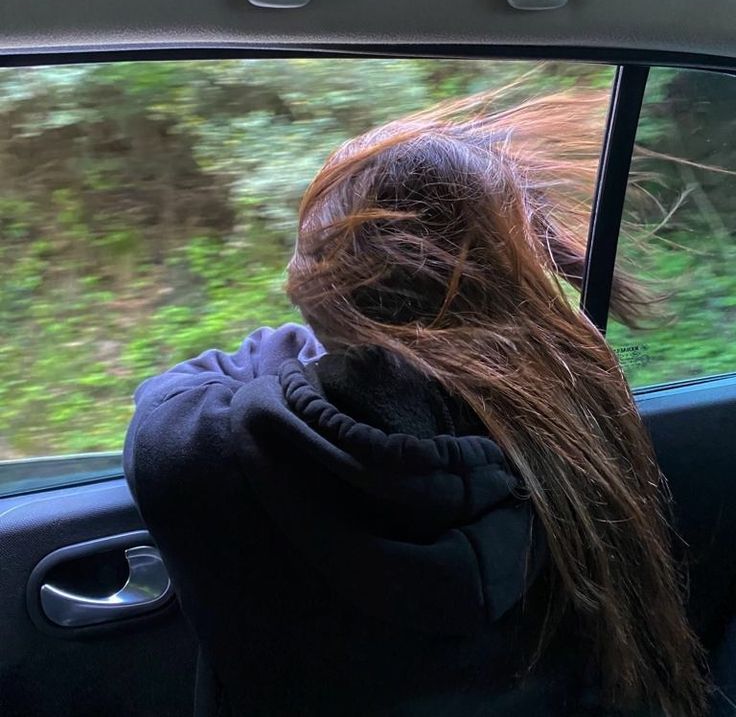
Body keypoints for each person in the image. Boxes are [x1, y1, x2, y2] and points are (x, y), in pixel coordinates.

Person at [124, 87, 708, 716]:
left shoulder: (203, 452)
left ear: (325, 288)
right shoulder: (582, 422)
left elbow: (186, 384)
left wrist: (334, 340)